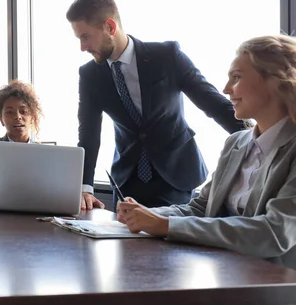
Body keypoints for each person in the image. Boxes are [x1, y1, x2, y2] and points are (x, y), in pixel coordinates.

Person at [117, 35, 296, 269]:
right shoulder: (236, 143)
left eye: (236, 77)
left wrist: (164, 225)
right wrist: (144, 215)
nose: (226, 89)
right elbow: (201, 208)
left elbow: (274, 233)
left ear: (275, 80)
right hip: (227, 275)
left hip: (274, 286)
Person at [66, 0, 246, 209]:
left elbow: (213, 104)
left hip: (175, 177)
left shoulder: (167, 56)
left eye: (86, 37)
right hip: (127, 183)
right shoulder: (89, 75)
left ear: (110, 27)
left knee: (172, 242)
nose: (82, 47)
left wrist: (257, 141)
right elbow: (88, 134)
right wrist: (85, 186)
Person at [0, 80, 104, 210]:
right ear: (1, 119)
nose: (18, 117)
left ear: (32, 117)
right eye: (10, 112)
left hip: (38, 213)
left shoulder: (47, 153)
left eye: (23, 111)